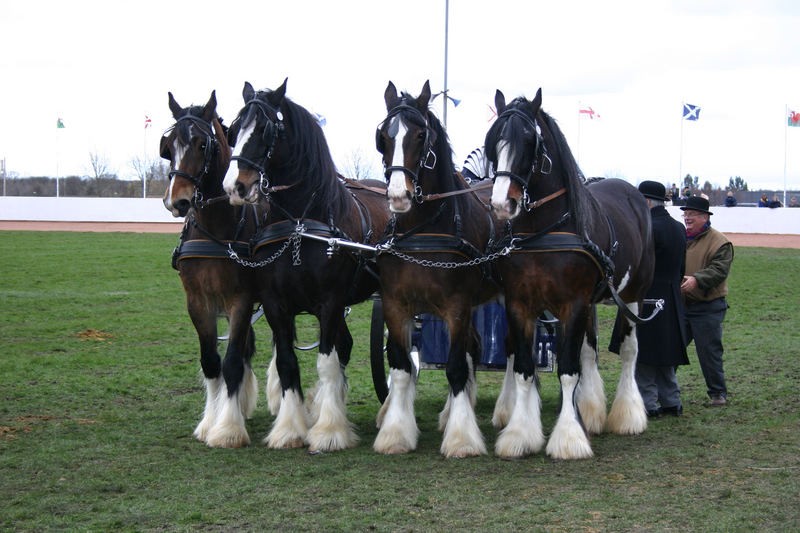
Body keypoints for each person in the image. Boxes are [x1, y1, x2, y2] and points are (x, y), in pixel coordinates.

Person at [635, 181, 689, 417]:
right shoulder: (678, 227)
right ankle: (671, 401)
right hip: (671, 295)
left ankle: (648, 403)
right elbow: (681, 268)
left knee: (644, 353)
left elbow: (638, 265)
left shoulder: (646, 228)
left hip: (647, 295)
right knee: (665, 353)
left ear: (646, 202)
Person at [680, 196, 734, 407]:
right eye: (685, 214)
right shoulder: (681, 237)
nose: (687, 218)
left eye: (692, 214)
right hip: (682, 305)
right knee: (671, 348)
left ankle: (718, 393)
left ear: (704, 216)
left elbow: (719, 270)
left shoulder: (720, 242)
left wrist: (697, 280)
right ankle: (663, 391)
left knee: (709, 352)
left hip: (708, 307)